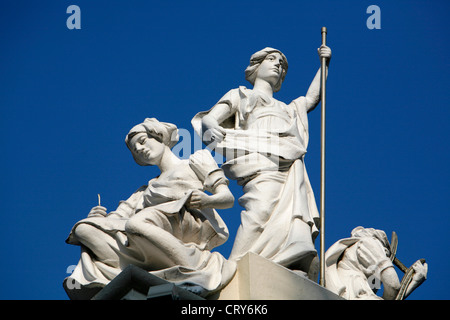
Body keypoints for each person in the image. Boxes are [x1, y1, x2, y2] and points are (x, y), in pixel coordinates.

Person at [192, 45, 331, 279]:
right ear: (256, 66)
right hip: (259, 164)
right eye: (272, 59)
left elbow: (312, 98)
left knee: (289, 219)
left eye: (282, 64)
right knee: (258, 212)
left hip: (288, 166)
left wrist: (324, 65)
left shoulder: (287, 108)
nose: (278, 64)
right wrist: (210, 127)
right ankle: (233, 269)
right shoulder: (241, 95)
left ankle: (283, 261)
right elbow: (210, 119)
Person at [64, 118, 236, 299]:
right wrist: (96, 219)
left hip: (186, 221)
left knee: (136, 223)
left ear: (159, 136)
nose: (140, 149)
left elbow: (227, 199)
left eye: (142, 141)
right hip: (152, 226)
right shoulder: (145, 191)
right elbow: (116, 218)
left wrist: (206, 200)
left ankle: (193, 267)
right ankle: (133, 274)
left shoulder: (195, 161)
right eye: (135, 150)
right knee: (84, 229)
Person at [325, 227, 428, 300]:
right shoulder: (369, 242)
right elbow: (393, 286)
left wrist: (414, 282)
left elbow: (390, 296)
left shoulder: (366, 276)